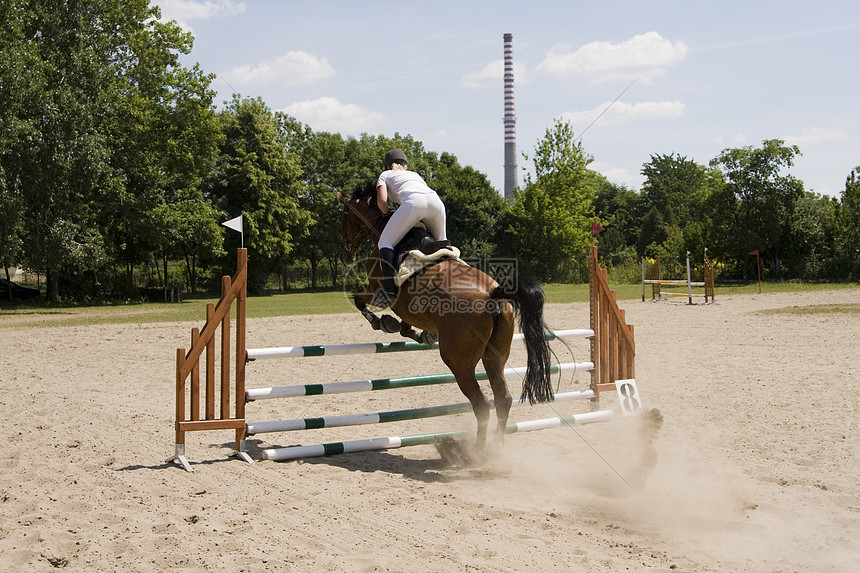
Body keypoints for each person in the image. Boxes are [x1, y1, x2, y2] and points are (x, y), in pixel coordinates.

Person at [375, 148, 448, 305]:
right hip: (437, 203)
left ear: (387, 166)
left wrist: (388, 213)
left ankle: (388, 289)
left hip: (414, 204)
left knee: (385, 243)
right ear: (405, 165)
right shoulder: (415, 175)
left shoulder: (385, 175)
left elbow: (382, 202)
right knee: (441, 243)